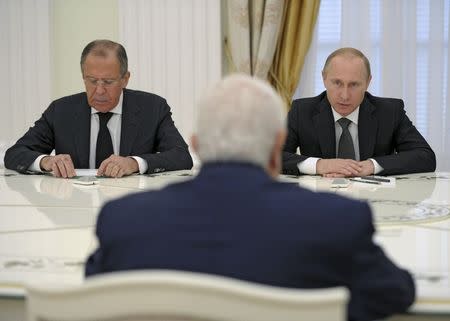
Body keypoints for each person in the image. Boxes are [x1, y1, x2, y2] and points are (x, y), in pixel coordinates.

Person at [85, 74, 415, 321]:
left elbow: (97, 294)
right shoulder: (339, 221)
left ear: (197, 146)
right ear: (277, 148)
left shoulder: (123, 220)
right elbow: (395, 293)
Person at [4, 39, 192, 178]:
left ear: (125, 79)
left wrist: (134, 163)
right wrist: (46, 162)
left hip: (133, 205)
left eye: (108, 82)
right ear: (83, 77)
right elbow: (15, 153)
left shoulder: (153, 108)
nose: (99, 91)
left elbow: (181, 156)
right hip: (73, 207)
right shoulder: (61, 110)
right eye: (92, 81)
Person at [283, 47, 436, 177]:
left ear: (368, 82)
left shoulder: (390, 111)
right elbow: (271, 157)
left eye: (354, 84)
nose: (344, 95)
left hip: (376, 201)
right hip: (321, 201)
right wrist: (320, 165)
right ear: (324, 78)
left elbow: (425, 157)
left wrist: (372, 166)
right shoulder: (301, 111)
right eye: (337, 83)